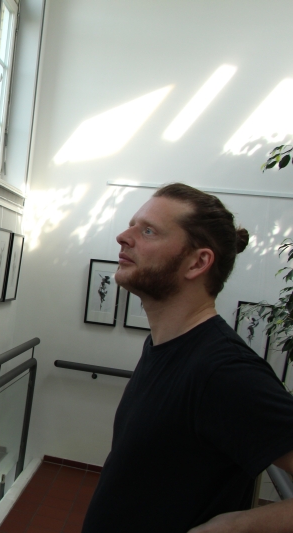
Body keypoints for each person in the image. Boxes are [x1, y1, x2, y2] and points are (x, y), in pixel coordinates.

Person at [82, 183, 293, 533]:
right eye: (132, 225)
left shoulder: (225, 371)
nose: (123, 237)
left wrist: (237, 526)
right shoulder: (164, 345)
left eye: (148, 231)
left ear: (197, 262)